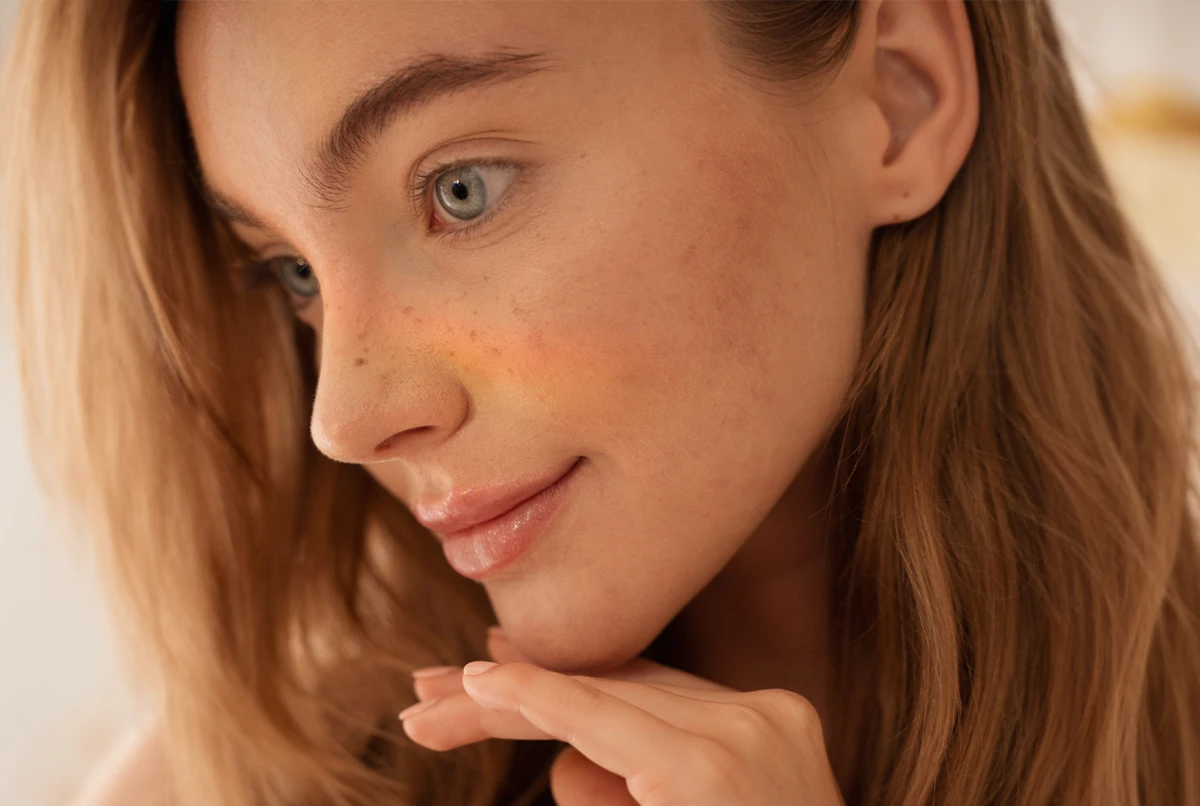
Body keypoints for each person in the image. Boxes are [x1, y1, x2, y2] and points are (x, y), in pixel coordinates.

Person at [3, 0, 1198, 803]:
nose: (345, 414)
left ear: (900, 99)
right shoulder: (235, 785)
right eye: (294, 273)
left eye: (460, 190)